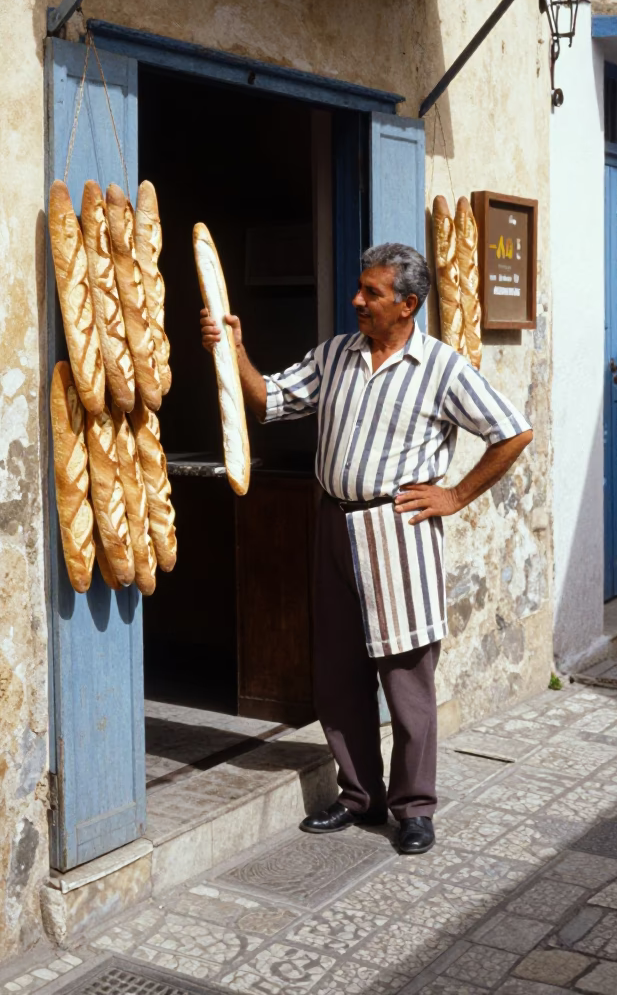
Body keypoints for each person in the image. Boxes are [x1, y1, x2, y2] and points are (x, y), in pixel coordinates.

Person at [200, 241, 532, 855]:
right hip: (332, 524)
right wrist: (236, 351)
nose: (357, 299)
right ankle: (359, 796)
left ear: (407, 305)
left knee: (407, 680)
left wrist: (455, 495)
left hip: (397, 530)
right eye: (359, 288)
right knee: (338, 674)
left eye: (371, 293)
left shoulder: (441, 367)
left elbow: (512, 432)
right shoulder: (335, 355)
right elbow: (268, 400)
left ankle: (413, 808)